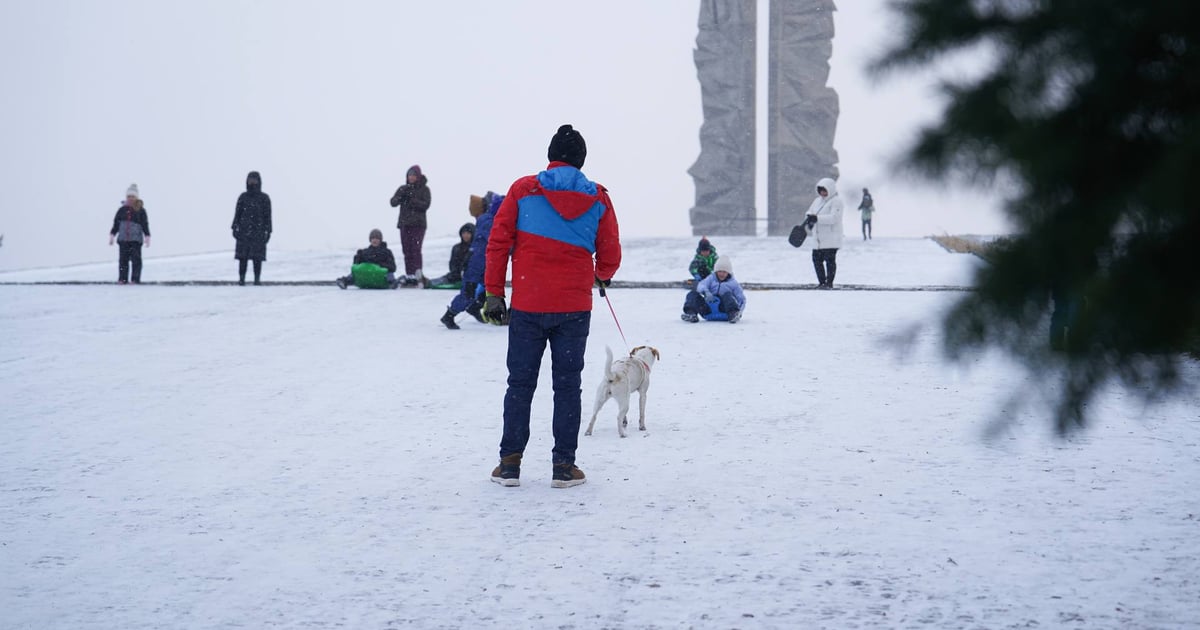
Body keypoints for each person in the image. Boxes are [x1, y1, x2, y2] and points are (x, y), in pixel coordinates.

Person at [484, 124, 621, 488]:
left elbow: (498, 244)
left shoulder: (523, 190)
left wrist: (494, 292)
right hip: (574, 308)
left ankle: (510, 463)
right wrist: (599, 274)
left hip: (528, 304)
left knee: (520, 383)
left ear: (551, 156)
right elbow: (611, 254)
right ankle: (564, 466)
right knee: (567, 385)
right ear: (582, 160)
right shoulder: (599, 199)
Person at [440, 191, 502, 329]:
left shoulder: (486, 219)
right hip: (477, 263)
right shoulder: (487, 220)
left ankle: (474, 307)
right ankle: (449, 315)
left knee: (486, 288)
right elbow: (491, 240)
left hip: (481, 262)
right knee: (468, 292)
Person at [389, 164, 432, 286]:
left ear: (418, 176)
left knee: (415, 249)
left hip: (418, 224)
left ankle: (418, 274)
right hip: (404, 224)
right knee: (406, 250)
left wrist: (412, 200)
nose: (411, 177)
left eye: (413, 175)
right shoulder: (403, 188)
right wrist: (400, 196)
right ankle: (410, 275)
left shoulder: (424, 189)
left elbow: (426, 205)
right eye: (409, 175)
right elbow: (393, 202)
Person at [231, 170, 272, 285]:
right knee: (242, 258)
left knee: (257, 259)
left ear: (259, 181)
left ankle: (257, 280)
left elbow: (268, 216)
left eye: (254, 180)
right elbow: (237, 214)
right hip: (244, 232)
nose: (252, 182)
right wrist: (235, 227)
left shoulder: (264, 198)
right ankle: (241, 279)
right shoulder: (243, 197)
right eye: (250, 180)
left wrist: (268, 231)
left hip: (258, 233)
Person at [805, 177, 845, 289]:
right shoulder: (817, 201)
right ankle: (822, 282)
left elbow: (834, 218)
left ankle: (829, 283)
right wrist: (809, 217)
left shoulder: (837, 201)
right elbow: (810, 211)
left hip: (831, 238)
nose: (822, 192)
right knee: (816, 260)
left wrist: (816, 218)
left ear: (830, 189)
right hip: (818, 239)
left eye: (824, 189)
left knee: (830, 262)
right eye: (820, 190)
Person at [681, 256, 746, 323]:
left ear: (728, 273)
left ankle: (733, 314)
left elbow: (741, 299)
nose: (721, 274)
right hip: (708, 311)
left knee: (727, 295)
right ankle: (691, 314)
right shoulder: (711, 278)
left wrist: (739, 312)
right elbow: (701, 285)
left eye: (724, 272)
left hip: (724, 311)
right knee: (692, 294)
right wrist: (706, 292)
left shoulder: (733, 283)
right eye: (719, 271)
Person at [108, 183, 151, 284]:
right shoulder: (121, 210)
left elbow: (145, 224)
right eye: (129, 196)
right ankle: (122, 279)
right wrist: (112, 235)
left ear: (136, 197)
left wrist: (147, 235)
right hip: (123, 240)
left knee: (136, 261)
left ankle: (135, 279)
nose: (131, 198)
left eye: (133, 196)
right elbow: (116, 223)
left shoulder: (141, 210)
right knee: (123, 261)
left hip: (135, 240)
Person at [426, 223, 475, 289]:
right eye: (464, 233)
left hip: (469, 276)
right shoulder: (457, 248)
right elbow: (452, 263)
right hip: (455, 275)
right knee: (441, 280)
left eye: (468, 233)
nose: (465, 235)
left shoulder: (474, 248)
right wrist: (456, 272)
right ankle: (426, 282)